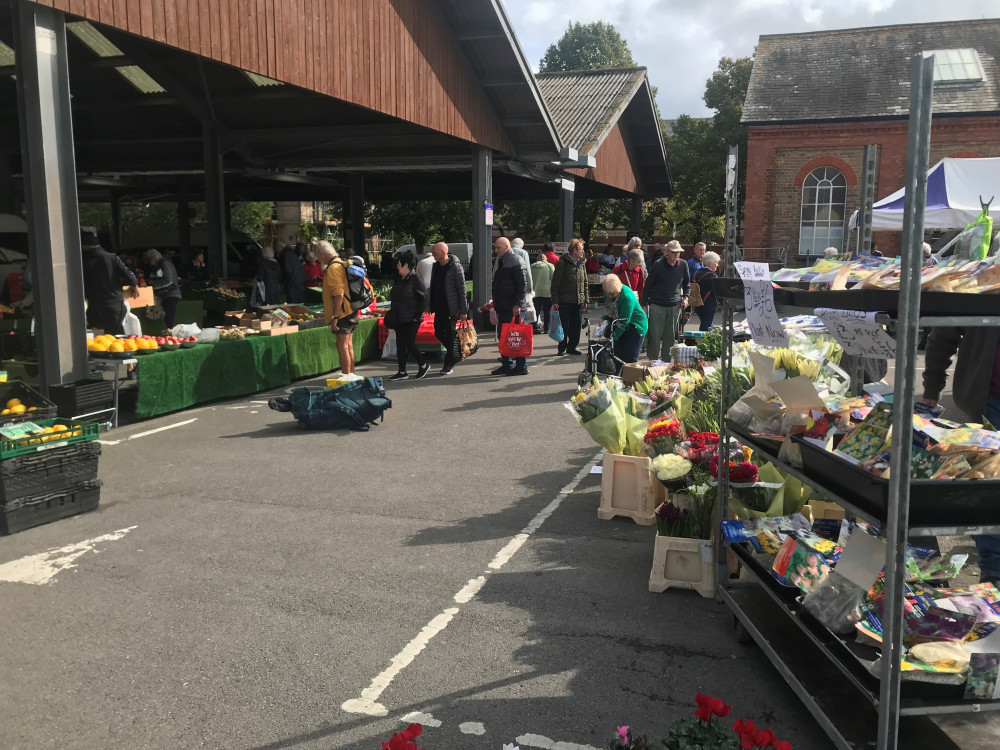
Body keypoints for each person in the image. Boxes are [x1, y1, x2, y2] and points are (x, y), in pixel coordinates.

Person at [922, 327, 1000, 584]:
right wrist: (932, 387)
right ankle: (994, 572)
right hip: (990, 401)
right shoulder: (980, 287)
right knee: (990, 484)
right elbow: (944, 332)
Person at [81, 227, 139, 335]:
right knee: (118, 338)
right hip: (114, 306)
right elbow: (130, 277)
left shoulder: (82, 263)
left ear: (84, 246)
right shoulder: (111, 258)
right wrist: (134, 287)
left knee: (99, 340)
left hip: (95, 307)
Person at [386, 249, 429, 381]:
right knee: (400, 344)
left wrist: (417, 315)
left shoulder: (416, 279)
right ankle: (402, 371)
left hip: (412, 318)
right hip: (399, 317)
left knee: (409, 343)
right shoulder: (399, 279)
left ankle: (423, 365)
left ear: (406, 265)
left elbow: (424, 298)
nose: (397, 267)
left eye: (399, 264)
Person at [642, 240, 690, 361]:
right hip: (657, 305)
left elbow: (687, 284)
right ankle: (652, 361)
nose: (676, 255)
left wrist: (686, 298)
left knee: (670, 337)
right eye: (673, 252)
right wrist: (644, 304)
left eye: (678, 252)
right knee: (655, 336)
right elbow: (648, 285)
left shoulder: (683, 264)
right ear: (666, 252)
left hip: (675, 305)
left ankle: (666, 363)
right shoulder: (658, 265)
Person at [317, 240, 358, 375]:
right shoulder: (341, 263)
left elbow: (338, 294)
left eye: (318, 256)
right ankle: (351, 375)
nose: (318, 259)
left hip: (342, 313)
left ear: (322, 254)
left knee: (342, 346)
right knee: (348, 345)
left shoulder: (333, 268)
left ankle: (347, 377)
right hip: (350, 310)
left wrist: (335, 317)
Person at [429, 241, 469, 376]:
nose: (433, 255)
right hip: (439, 307)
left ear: (442, 253)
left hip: (451, 308)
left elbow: (461, 290)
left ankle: (448, 363)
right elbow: (434, 286)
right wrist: (431, 304)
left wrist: (463, 311)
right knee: (438, 332)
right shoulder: (435, 266)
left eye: (435, 252)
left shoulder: (455, 267)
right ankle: (456, 351)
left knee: (451, 334)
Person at [491, 237, 529, 375]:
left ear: (507, 247)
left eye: (498, 247)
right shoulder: (504, 261)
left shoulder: (515, 261)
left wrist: (517, 304)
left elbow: (522, 285)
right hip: (505, 306)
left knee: (516, 336)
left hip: (512, 308)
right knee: (505, 337)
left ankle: (521, 365)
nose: (496, 250)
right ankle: (507, 364)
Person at [550, 238, 590, 356]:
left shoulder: (582, 263)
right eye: (581, 249)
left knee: (576, 325)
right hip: (565, 300)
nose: (583, 252)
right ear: (574, 250)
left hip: (578, 300)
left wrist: (586, 298)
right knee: (564, 325)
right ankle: (562, 347)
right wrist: (555, 300)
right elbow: (555, 283)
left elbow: (585, 282)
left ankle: (572, 347)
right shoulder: (562, 263)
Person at [601, 274, 647, 365]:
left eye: (612, 294)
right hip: (620, 322)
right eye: (607, 293)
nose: (609, 296)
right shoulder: (610, 292)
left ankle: (630, 377)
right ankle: (618, 376)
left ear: (618, 289)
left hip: (636, 325)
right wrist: (604, 318)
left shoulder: (627, 297)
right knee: (617, 355)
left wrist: (614, 338)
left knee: (629, 358)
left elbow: (624, 321)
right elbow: (610, 309)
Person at [143, 249, 182, 329]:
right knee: (168, 318)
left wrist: (153, 283)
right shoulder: (163, 264)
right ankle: (172, 334)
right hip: (167, 294)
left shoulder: (164, 263)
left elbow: (168, 280)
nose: (150, 263)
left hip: (171, 294)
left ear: (154, 258)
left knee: (169, 319)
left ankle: (173, 336)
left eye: (150, 260)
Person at [691, 251, 721, 331]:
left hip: (698, 305)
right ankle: (702, 342)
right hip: (709, 305)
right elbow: (718, 291)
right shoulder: (711, 275)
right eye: (716, 262)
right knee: (705, 328)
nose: (717, 265)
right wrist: (725, 304)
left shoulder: (696, 273)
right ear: (710, 264)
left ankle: (709, 341)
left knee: (708, 326)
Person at [530, 251, 555, 334]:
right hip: (547, 291)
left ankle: (534, 327)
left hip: (535, 291)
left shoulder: (531, 266)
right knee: (547, 310)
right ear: (546, 259)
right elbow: (553, 278)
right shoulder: (550, 266)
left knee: (536, 310)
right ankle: (546, 328)